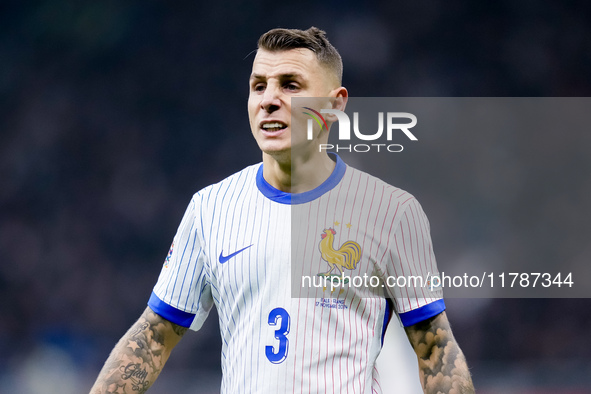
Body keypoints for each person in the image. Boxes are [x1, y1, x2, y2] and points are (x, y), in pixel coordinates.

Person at [90, 27, 474, 394]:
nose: (268, 99)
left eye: (290, 85)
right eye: (259, 86)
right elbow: (155, 335)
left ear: (335, 105)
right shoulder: (210, 208)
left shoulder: (392, 212)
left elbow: (434, 350)